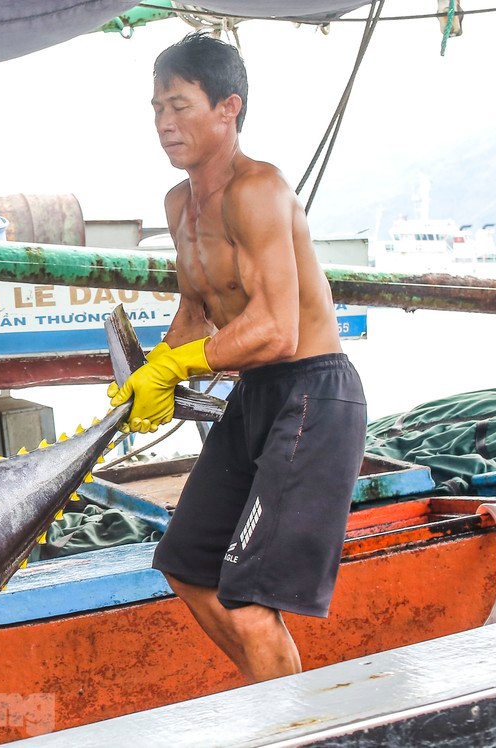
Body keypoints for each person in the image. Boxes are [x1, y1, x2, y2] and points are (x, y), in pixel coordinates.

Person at [109, 33, 366, 683]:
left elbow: (276, 330)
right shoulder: (179, 205)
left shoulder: (259, 189)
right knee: (188, 567)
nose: (165, 124)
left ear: (229, 107)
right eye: (155, 108)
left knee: (251, 606)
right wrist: (150, 377)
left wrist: (177, 368)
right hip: (254, 396)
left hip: (312, 393)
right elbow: (197, 312)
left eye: (180, 105)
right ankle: (273, 699)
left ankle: (293, 726)